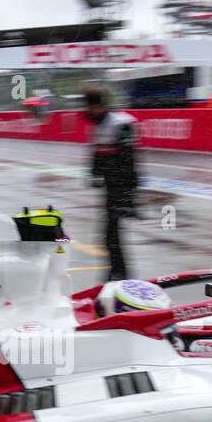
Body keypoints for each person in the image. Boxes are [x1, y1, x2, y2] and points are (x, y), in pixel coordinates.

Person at [83, 86, 139, 281]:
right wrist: (94, 173)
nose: (87, 112)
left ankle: (120, 275)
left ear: (99, 106)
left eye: (90, 107)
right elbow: (97, 152)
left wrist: (129, 197)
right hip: (110, 186)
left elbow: (129, 158)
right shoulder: (98, 123)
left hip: (122, 186)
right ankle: (118, 272)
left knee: (111, 235)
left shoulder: (122, 124)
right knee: (110, 236)